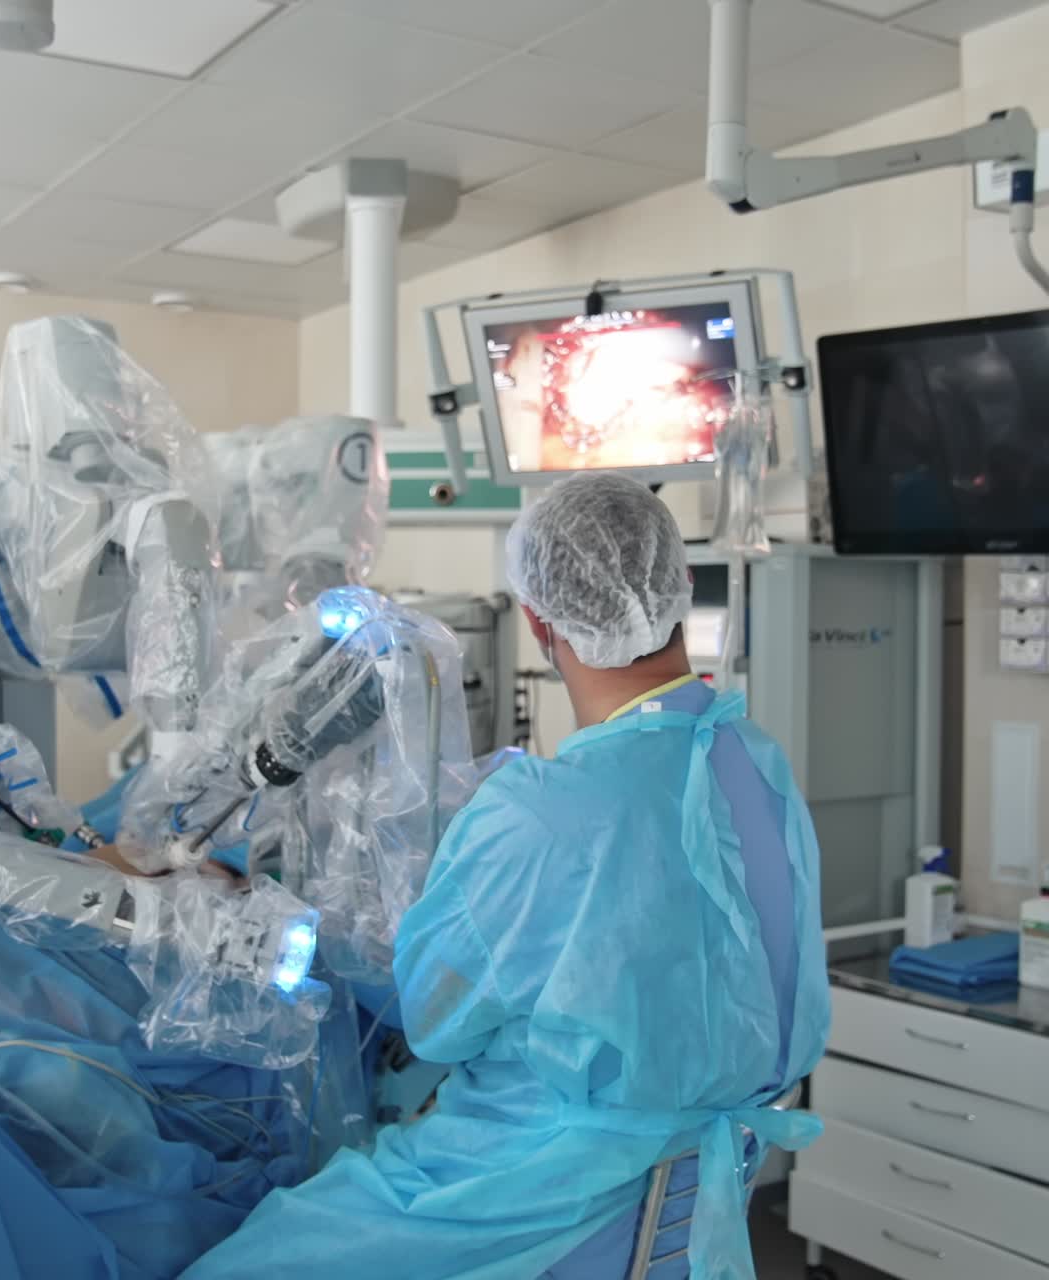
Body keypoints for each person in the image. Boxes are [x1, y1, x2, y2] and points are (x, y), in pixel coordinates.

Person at [188, 471, 830, 1280]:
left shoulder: (535, 813)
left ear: (537, 622)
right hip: (680, 1210)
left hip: (523, 1199)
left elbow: (436, 1022)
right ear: (681, 585)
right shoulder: (757, 765)